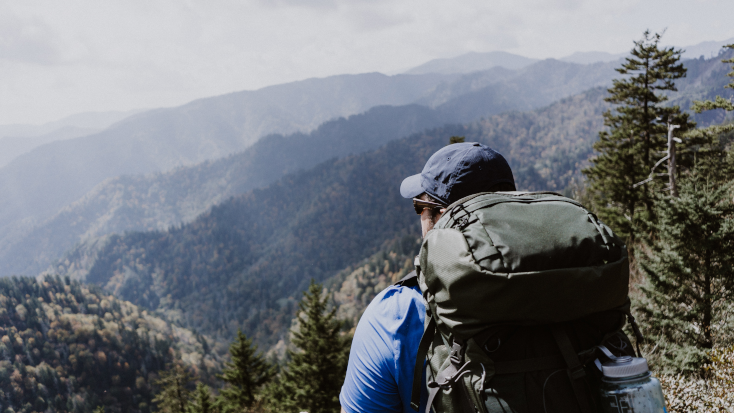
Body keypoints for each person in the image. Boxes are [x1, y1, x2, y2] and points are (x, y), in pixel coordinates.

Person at [339, 142, 516, 413]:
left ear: (441, 216)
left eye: (420, 206)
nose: (420, 216)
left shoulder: (393, 318)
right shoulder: (566, 287)